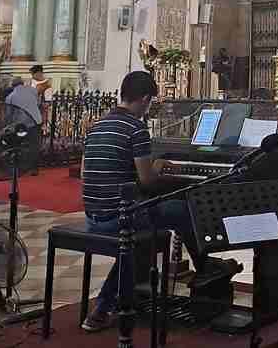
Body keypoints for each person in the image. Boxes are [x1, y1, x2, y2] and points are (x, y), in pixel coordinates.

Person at [80, 71, 220, 332]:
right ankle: (206, 268)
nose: (148, 108)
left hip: (92, 216)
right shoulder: (135, 128)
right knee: (185, 209)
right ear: (144, 99)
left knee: (144, 232)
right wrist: (156, 166)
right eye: (150, 103)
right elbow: (147, 181)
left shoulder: (96, 126)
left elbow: (85, 174)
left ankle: (104, 307)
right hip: (118, 218)